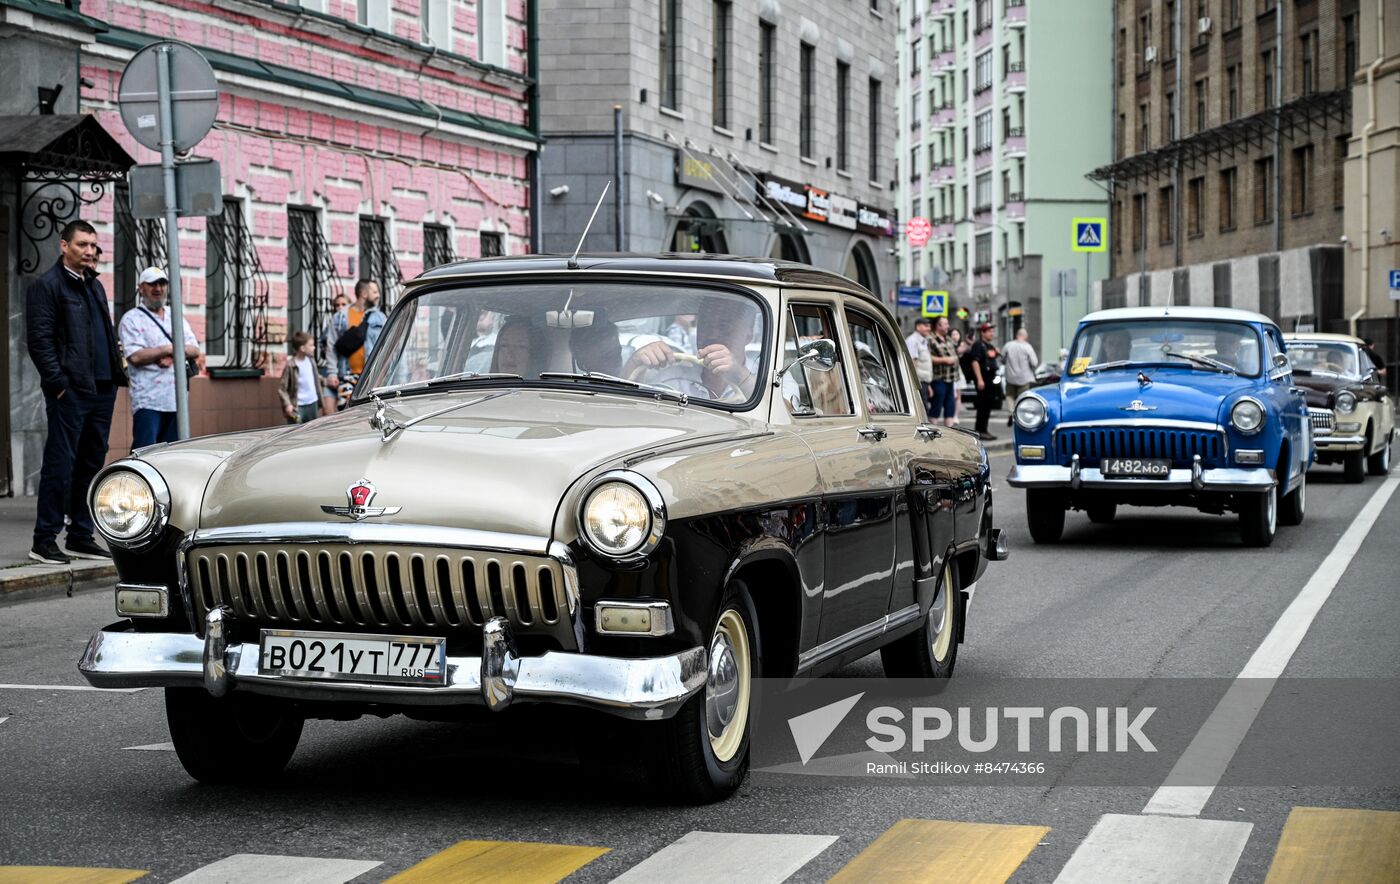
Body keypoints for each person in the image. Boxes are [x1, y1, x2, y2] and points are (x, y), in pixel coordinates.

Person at [25, 220, 127, 564]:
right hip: (71, 392)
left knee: (90, 464)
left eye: (93, 246)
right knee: (60, 463)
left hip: (101, 389)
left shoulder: (94, 286)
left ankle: (80, 535)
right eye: (82, 244)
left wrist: (116, 373)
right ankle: (44, 539)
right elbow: (39, 341)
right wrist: (58, 385)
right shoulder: (48, 286)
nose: (89, 251)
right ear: (63, 246)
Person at [118, 267, 203, 449]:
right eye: (152, 284)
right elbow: (136, 356)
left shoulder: (175, 315)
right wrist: (168, 349)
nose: (158, 289)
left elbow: (195, 349)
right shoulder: (131, 319)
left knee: (173, 454)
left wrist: (171, 355)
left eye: (162, 284)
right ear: (141, 288)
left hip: (177, 400)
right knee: (145, 452)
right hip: (148, 401)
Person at [322, 279, 386, 408]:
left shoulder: (380, 317)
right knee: (347, 415)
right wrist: (332, 373)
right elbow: (331, 346)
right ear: (364, 294)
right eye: (374, 292)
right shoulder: (340, 317)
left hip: (371, 377)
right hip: (347, 376)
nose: (378, 295)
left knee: (371, 413)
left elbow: (387, 348)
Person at [278, 331, 325, 424]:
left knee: (312, 432)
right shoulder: (291, 365)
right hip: (297, 407)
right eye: (311, 345)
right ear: (303, 348)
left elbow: (315, 378)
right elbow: (282, 389)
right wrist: (288, 404)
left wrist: (326, 382)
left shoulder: (311, 361)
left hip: (312, 403)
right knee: (296, 432)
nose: (314, 348)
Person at [968, 323, 1000, 440]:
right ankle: (980, 430)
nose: (992, 333)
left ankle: (984, 429)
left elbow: (992, 357)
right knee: (983, 405)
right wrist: (980, 379)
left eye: (992, 331)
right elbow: (975, 362)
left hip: (991, 378)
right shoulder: (978, 345)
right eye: (989, 331)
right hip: (984, 378)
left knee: (988, 404)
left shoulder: (989, 346)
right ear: (982, 333)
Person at [927, 317, 960, 427]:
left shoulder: (948, 338)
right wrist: (944, 360)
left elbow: (956, 352)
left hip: (950, 378)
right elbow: (926, 357)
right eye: (945, 324)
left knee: (950, 406)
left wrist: (967, 344)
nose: (948, 326)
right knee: (936, 406)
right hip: (938, 378)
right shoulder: (930, 339)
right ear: (938, 325)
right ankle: (931, 434)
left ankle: (948, 435)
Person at [1002, 328, 1038, 425]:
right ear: (1025, 336)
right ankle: (1019, 416)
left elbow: (1002, 359)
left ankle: (1010, 412)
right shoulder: (1028, 347)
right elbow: (1034, 363)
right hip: (1024, 378)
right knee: (1022, 397)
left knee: (1009, 396)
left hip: (1010, 377)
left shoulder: (1008, 345)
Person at [905, 317, 935, 415]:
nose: (929, 328)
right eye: (926, 326)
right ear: (918, 327)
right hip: (918, 382)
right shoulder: (913, 340)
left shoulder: (923, 340)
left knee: (924, 410)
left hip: (923, 382)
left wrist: (928, 385)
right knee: (922, 412)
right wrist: (914, 384)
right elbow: (912, 363)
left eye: (930, 326)